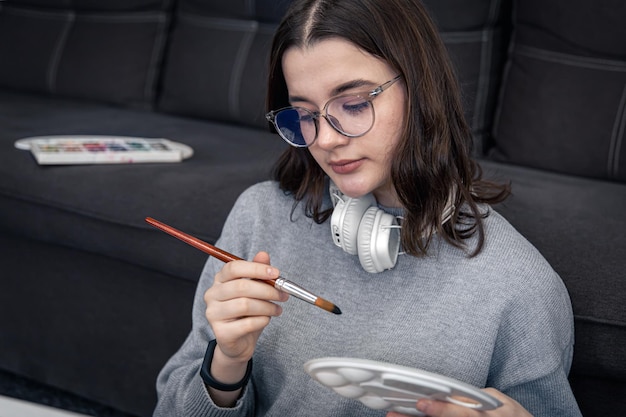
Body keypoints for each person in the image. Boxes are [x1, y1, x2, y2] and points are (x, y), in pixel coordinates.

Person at [154, 0, 582, 416]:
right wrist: (226, 365)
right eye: (304, 114)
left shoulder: (520, 286)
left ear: (420, 88)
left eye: (354, 104)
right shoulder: (259, 215)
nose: (325, 140)